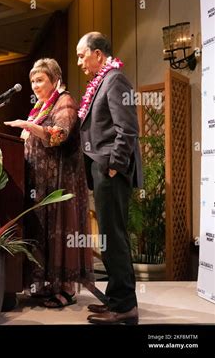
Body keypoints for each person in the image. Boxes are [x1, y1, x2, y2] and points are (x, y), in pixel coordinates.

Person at [4, 58, 93, 308]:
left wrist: (30, 127)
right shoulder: (41, 107)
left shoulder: (64, 101)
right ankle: (46, 285)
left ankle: (65, 290)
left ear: (55, 80)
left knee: (61, 234)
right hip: (40, 183)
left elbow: (60, 134)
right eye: (32, 80)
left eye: (40, 79)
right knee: (43, 235)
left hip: (60, 183)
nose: (34, 85)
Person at [76, 32, 142, 325]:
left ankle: (125, 306)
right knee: (109, 238)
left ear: (98, 54)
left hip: (110, 171)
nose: (79, 61)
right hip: (102, 170)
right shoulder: (102, 81)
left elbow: (128, 128)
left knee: (114, 237)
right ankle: (116, 299)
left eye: (82, 55)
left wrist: (114, 165)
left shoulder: (115, 80)